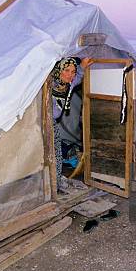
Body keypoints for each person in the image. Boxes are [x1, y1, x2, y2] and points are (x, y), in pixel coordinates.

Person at [51, 57, 92, 193]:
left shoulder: (67, 85)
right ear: (59, 70)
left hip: (53, 125)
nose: (70, 74)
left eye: (73, 71)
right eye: (67, 70)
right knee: (47, 156)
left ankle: (55, 181)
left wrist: (82, 67)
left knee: (57, 155)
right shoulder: (49, 84)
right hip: (41, 126)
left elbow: (77, 78)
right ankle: (49, 183)